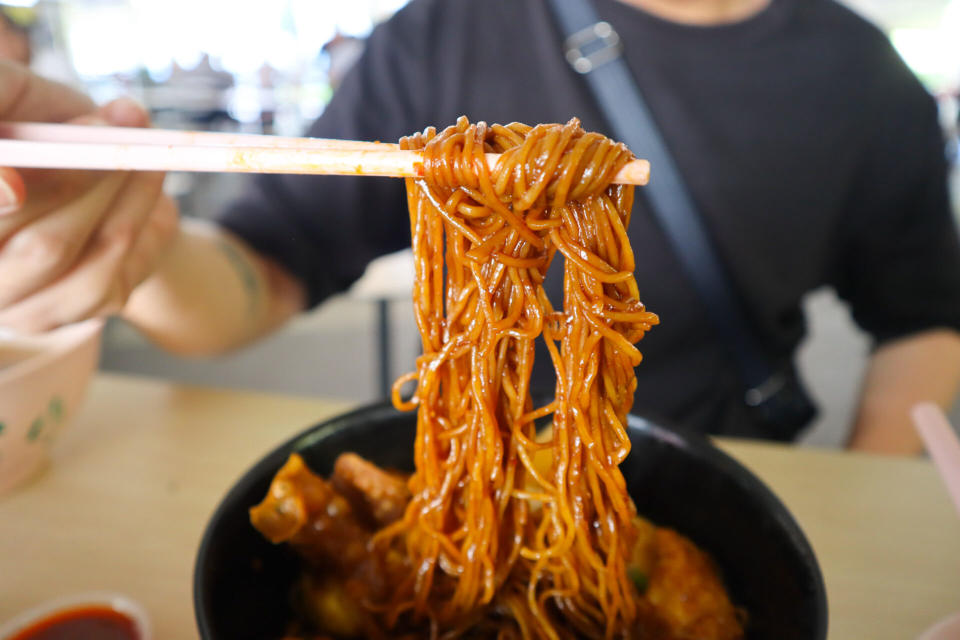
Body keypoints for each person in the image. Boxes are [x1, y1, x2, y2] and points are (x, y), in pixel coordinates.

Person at [1, 0, 959, 454]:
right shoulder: (447, 30)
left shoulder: (862, 75)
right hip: (464, 465)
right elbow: (263, 271)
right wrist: (129, 238)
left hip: (723, 472)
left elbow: (924, 317)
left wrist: (853, 495)